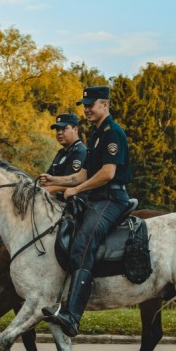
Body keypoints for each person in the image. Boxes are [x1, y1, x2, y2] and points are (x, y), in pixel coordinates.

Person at [39, 85, 132, 337]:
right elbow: (82, 174)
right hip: (100, 198)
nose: (87, 109)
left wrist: (78, 190)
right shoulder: (98, 135)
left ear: (105, 105)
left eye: (91, 104)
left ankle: (72, 316)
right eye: (85, 105)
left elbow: (107, 173)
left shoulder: (112, 132)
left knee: (83, 243)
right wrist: (56, 182)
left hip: (112, 198)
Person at [38, 113, 87, 201]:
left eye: (64, 129)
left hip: (74, 204)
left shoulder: (80, 152)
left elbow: (74, 183)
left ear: (75, 129)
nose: (59, 133)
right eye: (57, 130)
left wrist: (52, 189)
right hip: (57, 202)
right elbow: (48, 176)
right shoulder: (61, 152)